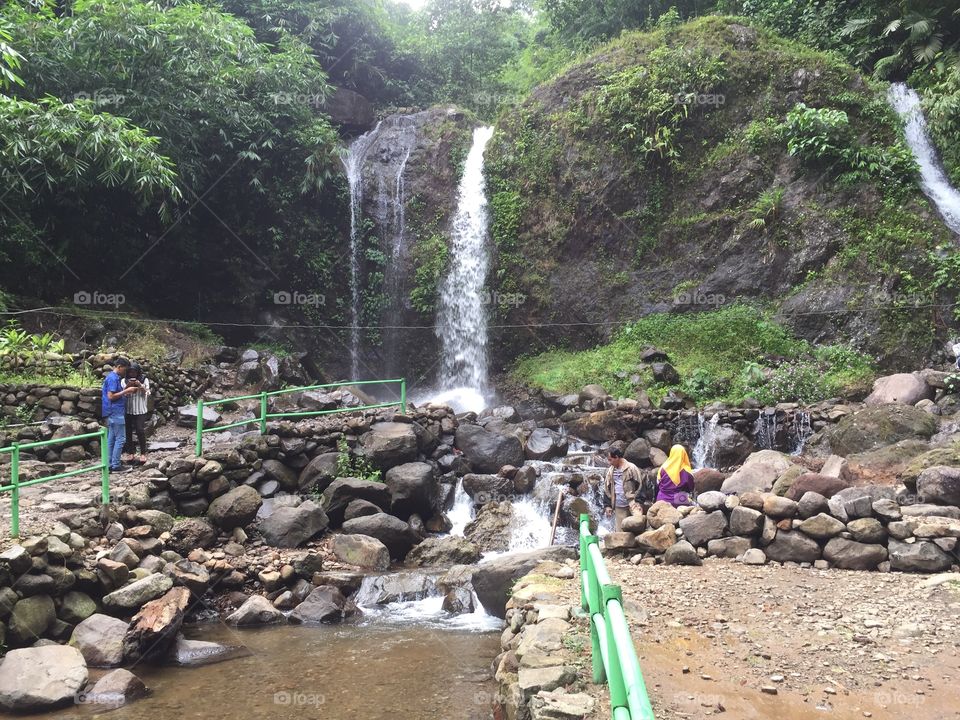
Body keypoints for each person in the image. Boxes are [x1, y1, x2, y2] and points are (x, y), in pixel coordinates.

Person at [101, 357, 139, 474]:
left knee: (111, 439)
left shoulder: (113, 378)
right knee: (121, 439)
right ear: (119, 367)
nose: (125, 372)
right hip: (115, 412)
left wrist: (126, 390)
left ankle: (109, 464)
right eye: (125, 370)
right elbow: (111, 396)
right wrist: (126, 391)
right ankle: (116, 465)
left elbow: (115, 395)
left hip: (111, 412)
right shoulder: (113, 378)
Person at [603, 447, 642, 531]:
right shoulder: (610, 471)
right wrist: (608, 506)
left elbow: (640, 485)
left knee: (638, 529)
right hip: (619, 506)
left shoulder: (631, 468)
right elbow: (607, 488)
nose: (609, 462)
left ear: (617, 457)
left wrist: (639, 502)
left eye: (610, 460)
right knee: (620, 533)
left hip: (633, 504)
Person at [122, 362, 150, 464]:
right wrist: (128, 386)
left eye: (134, 371)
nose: (132, 374)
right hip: (128, 409)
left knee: (140, 430)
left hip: (140, 410)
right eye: (130, 372)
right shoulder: (123, 381)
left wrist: (140, 385)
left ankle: (143, 452)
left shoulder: (144, 379)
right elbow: (122, 394)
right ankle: (131, 452)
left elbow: (147, 393)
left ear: (138, 372)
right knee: (128, 431)